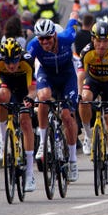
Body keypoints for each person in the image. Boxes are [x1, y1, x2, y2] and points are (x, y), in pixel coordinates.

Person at [27, 14, 80, 182]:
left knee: (66, 117)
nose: (44, 42)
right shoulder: (33, 45)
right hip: (47, 75)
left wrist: (73, 16)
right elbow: (25, 66)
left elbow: (72, 23)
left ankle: (72, 160)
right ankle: (43, 142)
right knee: (42, 97)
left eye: (48, 38)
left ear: (55, 35)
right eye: (41, 39)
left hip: (67, 77)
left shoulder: (66, 38)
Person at [77, 22, 108, 184]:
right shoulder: (86, 51)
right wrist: (77, 94)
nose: (102, 44)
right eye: (99, 41)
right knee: (84, 99)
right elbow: (80, 76)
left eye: (106, 41)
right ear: (93, 39)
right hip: (94, 81)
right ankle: (88, 136)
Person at [0, 38, 37, 191]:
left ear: (19, 56)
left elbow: (32, 90)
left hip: (24, 88)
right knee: (1, 95)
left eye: (14, 61)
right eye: (7, 61)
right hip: (7, 85)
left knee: (25, 122)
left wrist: (30, 99)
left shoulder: (27, 60)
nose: (11, 65)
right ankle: (3, 137)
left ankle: (29, 173)